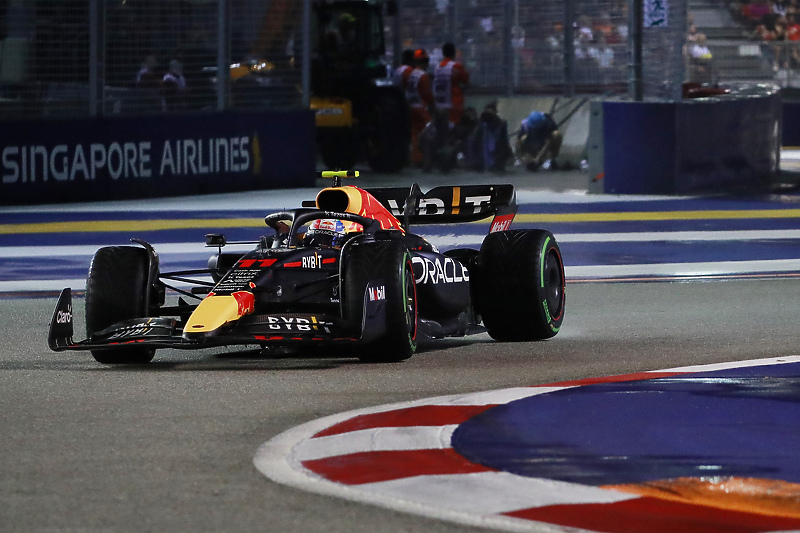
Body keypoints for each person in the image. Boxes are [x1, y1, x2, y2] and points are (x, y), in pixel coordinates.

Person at [463, 102, 512, 172]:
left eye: (491, 114)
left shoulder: (501, 123)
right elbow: (474, 139)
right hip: (484, 154)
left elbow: (505, 141)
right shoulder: (482, 124)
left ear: (495, 113)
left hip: (496, 153)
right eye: (487, 114)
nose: (489, 116)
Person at [407, 49, 434, 166]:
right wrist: (433, 105)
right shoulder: (423, 75)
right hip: (421, 108)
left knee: (414, 134)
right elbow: (427, 94)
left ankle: (415, 157)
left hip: (411, 106)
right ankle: (427, 159)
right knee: (429, 131)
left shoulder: (412, 73)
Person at [433, 42, 470, 126]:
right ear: (453, 53)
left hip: (440, 101)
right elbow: (466, 80)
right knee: (454, 125)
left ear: (443, 53)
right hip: (454, 102)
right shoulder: (456, 66)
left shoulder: (437, 67)